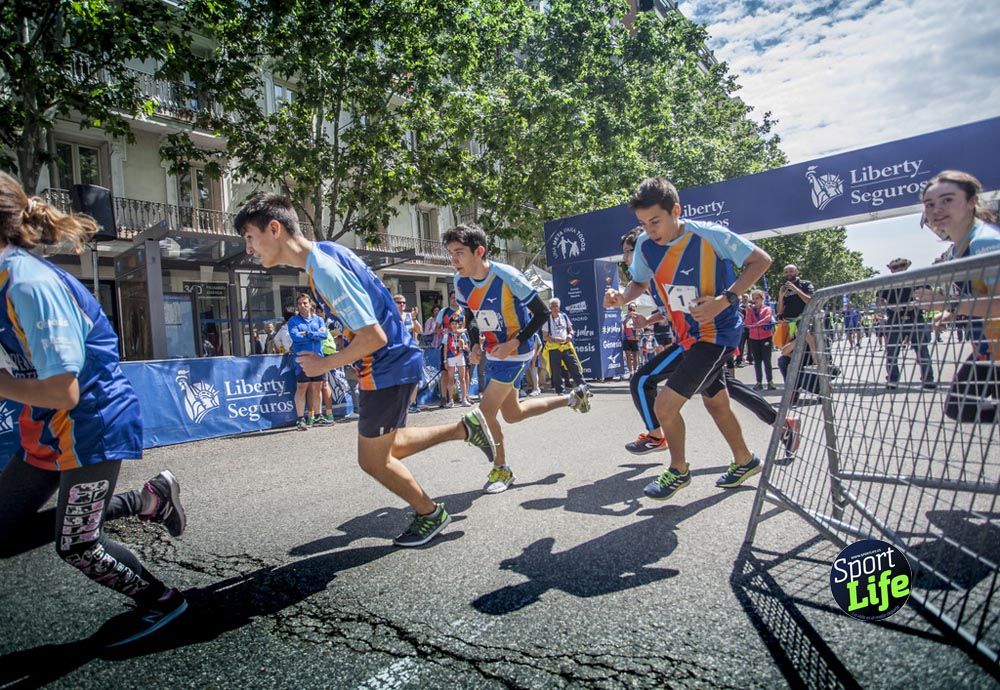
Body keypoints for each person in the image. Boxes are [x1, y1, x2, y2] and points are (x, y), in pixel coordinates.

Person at [237, 192, 496, 547]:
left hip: (386, 364)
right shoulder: (325, 253)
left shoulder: (323, 270)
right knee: (386, 449)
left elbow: (372, 336)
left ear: (275, 229)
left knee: (373, 461)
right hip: (392, 362)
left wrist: (326, 363)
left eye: (250, 238)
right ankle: (464, 428)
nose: (250, 249)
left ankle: (430, 513)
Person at [0, 172, 188, 647]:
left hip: (91, 426)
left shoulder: (29, 284)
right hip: (43, 429)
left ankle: (166, 601)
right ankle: (149, 500)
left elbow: (64, 392)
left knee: (79, 546)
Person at [605, 177, 773, 500]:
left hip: (717, 335)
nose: (650, 230)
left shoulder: (710, 236)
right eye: (643, 223)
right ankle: (745, 459)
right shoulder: (644, 246)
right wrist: (621, 298)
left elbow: (760, 262)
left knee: (664, 405)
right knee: (717, 403)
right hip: (687, 338)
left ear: (676, 211)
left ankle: (678, 470)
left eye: (656, 221)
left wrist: (725, 300)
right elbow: (638, 283)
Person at [617, 227, 798, 459]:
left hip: (701, 340)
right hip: (695, 339)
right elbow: (671, 310)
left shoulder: (663, 268)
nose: (625, 259)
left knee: (642, 380)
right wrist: (647, 320)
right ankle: (771, 435)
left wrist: (721, 303)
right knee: (723, 392)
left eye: (628, 252)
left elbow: (694, 300)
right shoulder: (649, 280)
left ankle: (657, 437)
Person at [443, 223, 591, 494]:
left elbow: (542, 314)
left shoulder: (507, 276)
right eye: (451, 253)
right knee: (512, 414)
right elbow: (470, 316)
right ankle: (571, 398)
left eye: (459, 252)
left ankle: (502, 469)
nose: (454, 259)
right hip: (493, 352)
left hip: (518, 351)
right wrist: (475, 343)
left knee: (485, 413)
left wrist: (514, 343)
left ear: (479, 251)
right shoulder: (460, 281)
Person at [915, 171, 1000, 422]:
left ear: (972, 201)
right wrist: (952, 310)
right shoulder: (961, 248)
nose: (937, 209)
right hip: (989, 348)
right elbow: (980, 294)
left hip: (993, 349)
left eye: (947, 200)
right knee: (960, 407)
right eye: (930, 204)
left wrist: (947, 303)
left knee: (960, 406)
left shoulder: (985, 243)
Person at [878, 257, 934, 390]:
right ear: (890, 269)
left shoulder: (918, 280)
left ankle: (928, 379)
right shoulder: (886, 283)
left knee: (922, 350)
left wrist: (915, 304)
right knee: (892, 351)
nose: (899, 269)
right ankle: (892, 379)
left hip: (915, 318)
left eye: (901, 265)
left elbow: (928, 297)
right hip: (894, 319)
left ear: (907, 266)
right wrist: (890, 307)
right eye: (895, 267)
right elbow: (879, 300)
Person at [288, 292, 329, 429]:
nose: (302, 306)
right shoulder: (293, 321)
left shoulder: (319, 320)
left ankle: (318, 416)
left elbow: (324, 335)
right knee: (302, 387)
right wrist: (313, 335)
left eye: (305, 303)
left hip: (318, 358)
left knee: (317, 387)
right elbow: (295, 337)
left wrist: (308, 334)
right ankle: (301, 418)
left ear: (310, 304)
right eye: (300, 304)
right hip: (302, 360)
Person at [541, 297, 586, 395]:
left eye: (556, 306)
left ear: (559, 307)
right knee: (556, 371)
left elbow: (571, 329)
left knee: (574, 367)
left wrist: (570, 335)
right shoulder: (547, 319)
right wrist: (554, 340)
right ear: (550, 308)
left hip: (566, 346)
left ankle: (584, 388)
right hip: (554, 348)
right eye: (553, 306)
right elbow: (545, 337)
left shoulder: (564, 316)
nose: (555, 308)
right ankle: (560, 391)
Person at [394, 294, 424, 414]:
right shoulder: (390, 316)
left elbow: (420, 330)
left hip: (410, 352)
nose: (402, 305)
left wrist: (414, 318)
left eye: (404, 303)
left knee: (414, 378)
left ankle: (412, 403)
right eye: (399, 302)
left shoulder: (408, 316)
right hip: (397, 353)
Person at [775, 264, 815, 348]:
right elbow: (779, 311)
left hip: (805, 322)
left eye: (791, 271)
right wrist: (781, 296)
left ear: (797, 272)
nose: (788, 274)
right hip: (789, 325)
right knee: (787, 351)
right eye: (786, 272)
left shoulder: (806, 284)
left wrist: (796, 289)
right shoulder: (783, 288)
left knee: (808, 349)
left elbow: (809, 301)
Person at [745, 289, 776, 390]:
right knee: (757, 361)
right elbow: (747, 322)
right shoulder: (750, 309)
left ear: (762, 298)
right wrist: (753, 324)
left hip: (765, 337)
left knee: (767, 360)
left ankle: (770, 381)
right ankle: (759, 382)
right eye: (753, 298)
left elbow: (766, 319)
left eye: (757, 298)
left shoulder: (767, 308)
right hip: (753, 338)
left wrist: (755, 325)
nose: (755, 300)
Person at [442, 313, 471, 407]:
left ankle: (464, 399)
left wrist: (463, 346)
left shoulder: (462, 334)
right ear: (450, 325)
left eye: (456, 323)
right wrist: (445, 360)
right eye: (452, 323)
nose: (454, 325)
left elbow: (467, 346)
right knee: (451, 380)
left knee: (462, 379)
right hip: (450, 357)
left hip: (460, 356)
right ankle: (450, 400)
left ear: (458, 324)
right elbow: (445, 348)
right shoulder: (447, 335)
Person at [622, 304, 641, 377]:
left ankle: (635, 371)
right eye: (630, 309)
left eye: (633, 309)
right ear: (628, 309)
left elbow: (639, 326)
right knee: (628, 356)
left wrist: (634, 318)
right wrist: (628, 317)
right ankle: (630, 373)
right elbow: (623, 324)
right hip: (626, 339)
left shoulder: (637, 317)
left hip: (634, 339)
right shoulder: (625, 316)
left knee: (635, 356)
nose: (631, 311)